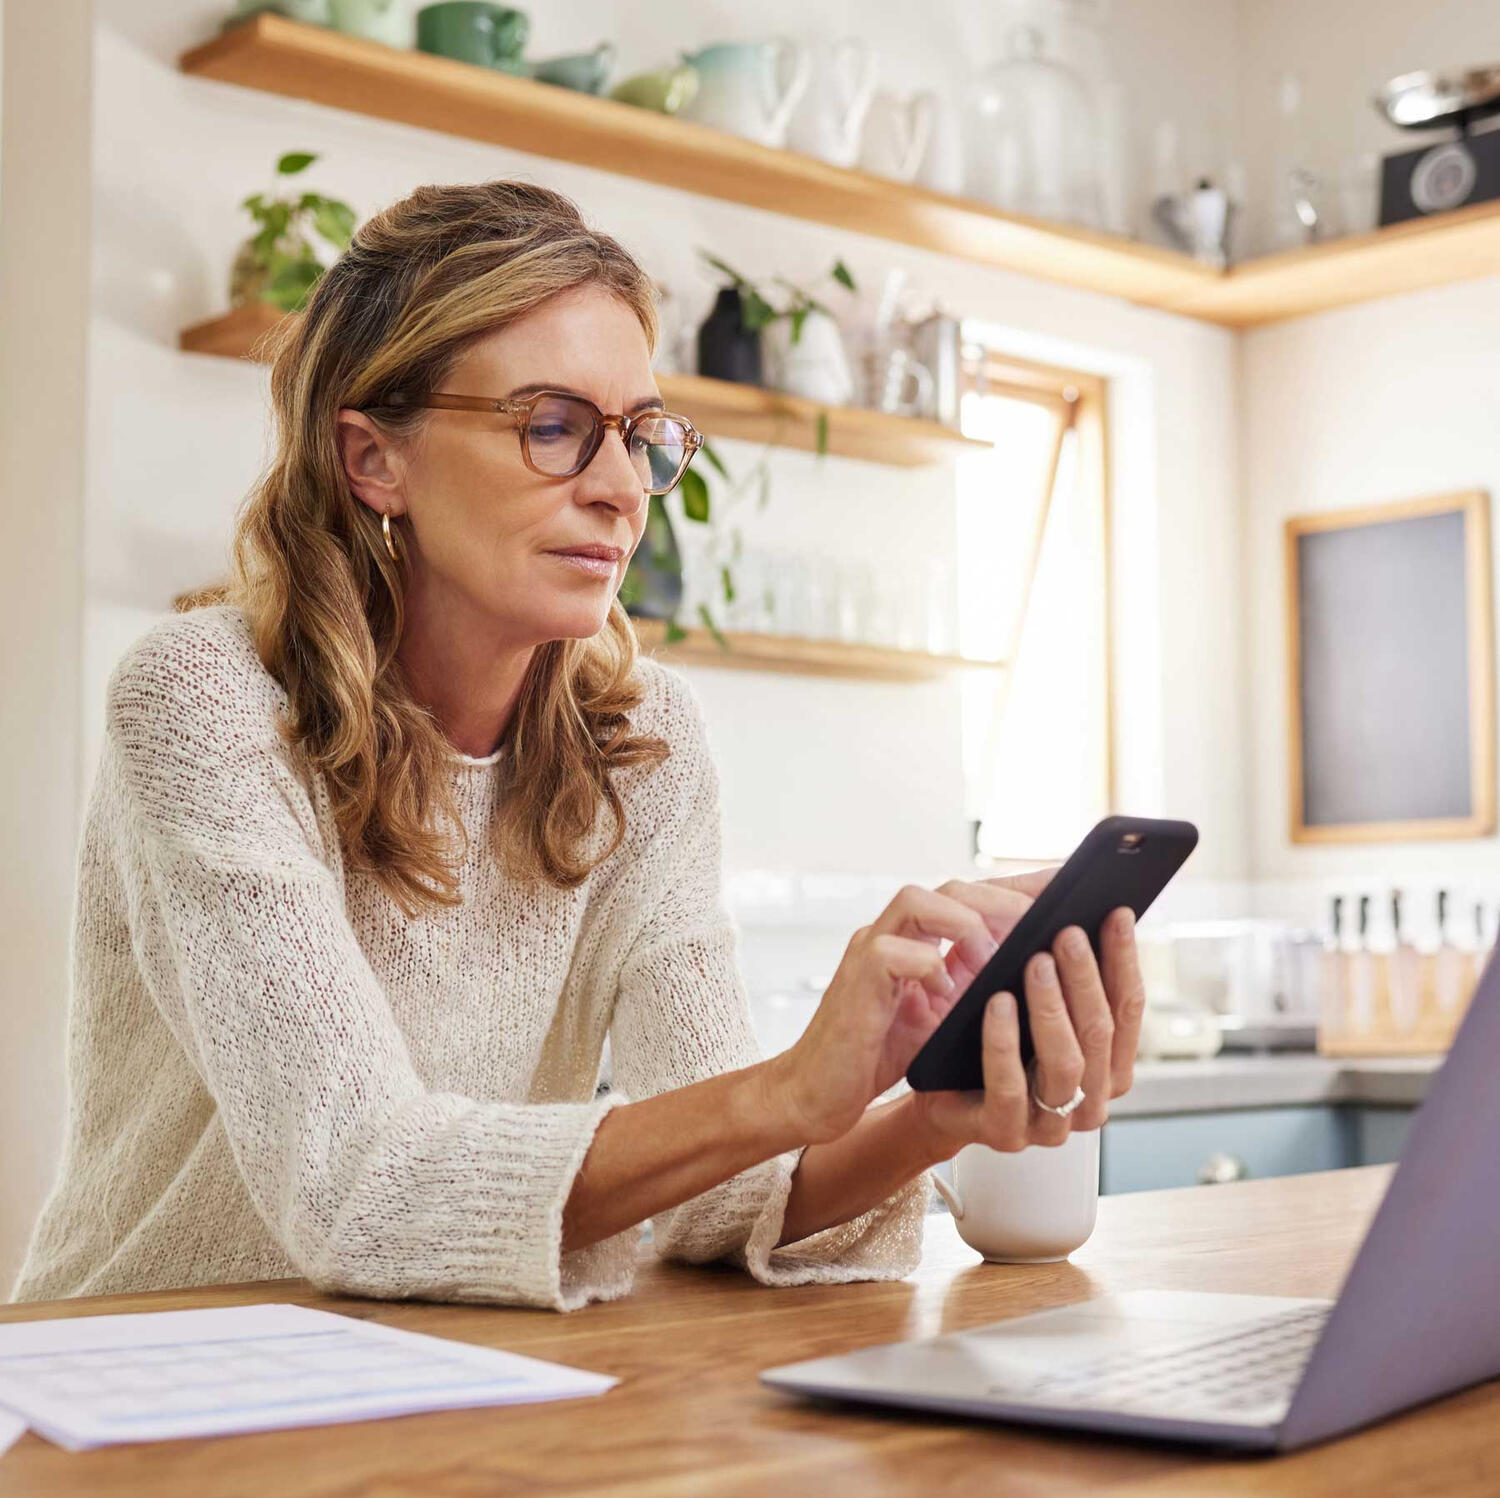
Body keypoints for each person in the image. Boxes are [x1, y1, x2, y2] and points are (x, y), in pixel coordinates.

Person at [10, 181, 1144, 1312]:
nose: (618, 489)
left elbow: (716, 1199)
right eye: (552, 427)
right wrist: (795, 1088)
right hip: (132, 1381)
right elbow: (361, 1186)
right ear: (372, 458)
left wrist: (924, 1115)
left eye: (641, 435)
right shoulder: (207, 702)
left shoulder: (642, 742)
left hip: (430, 1378)